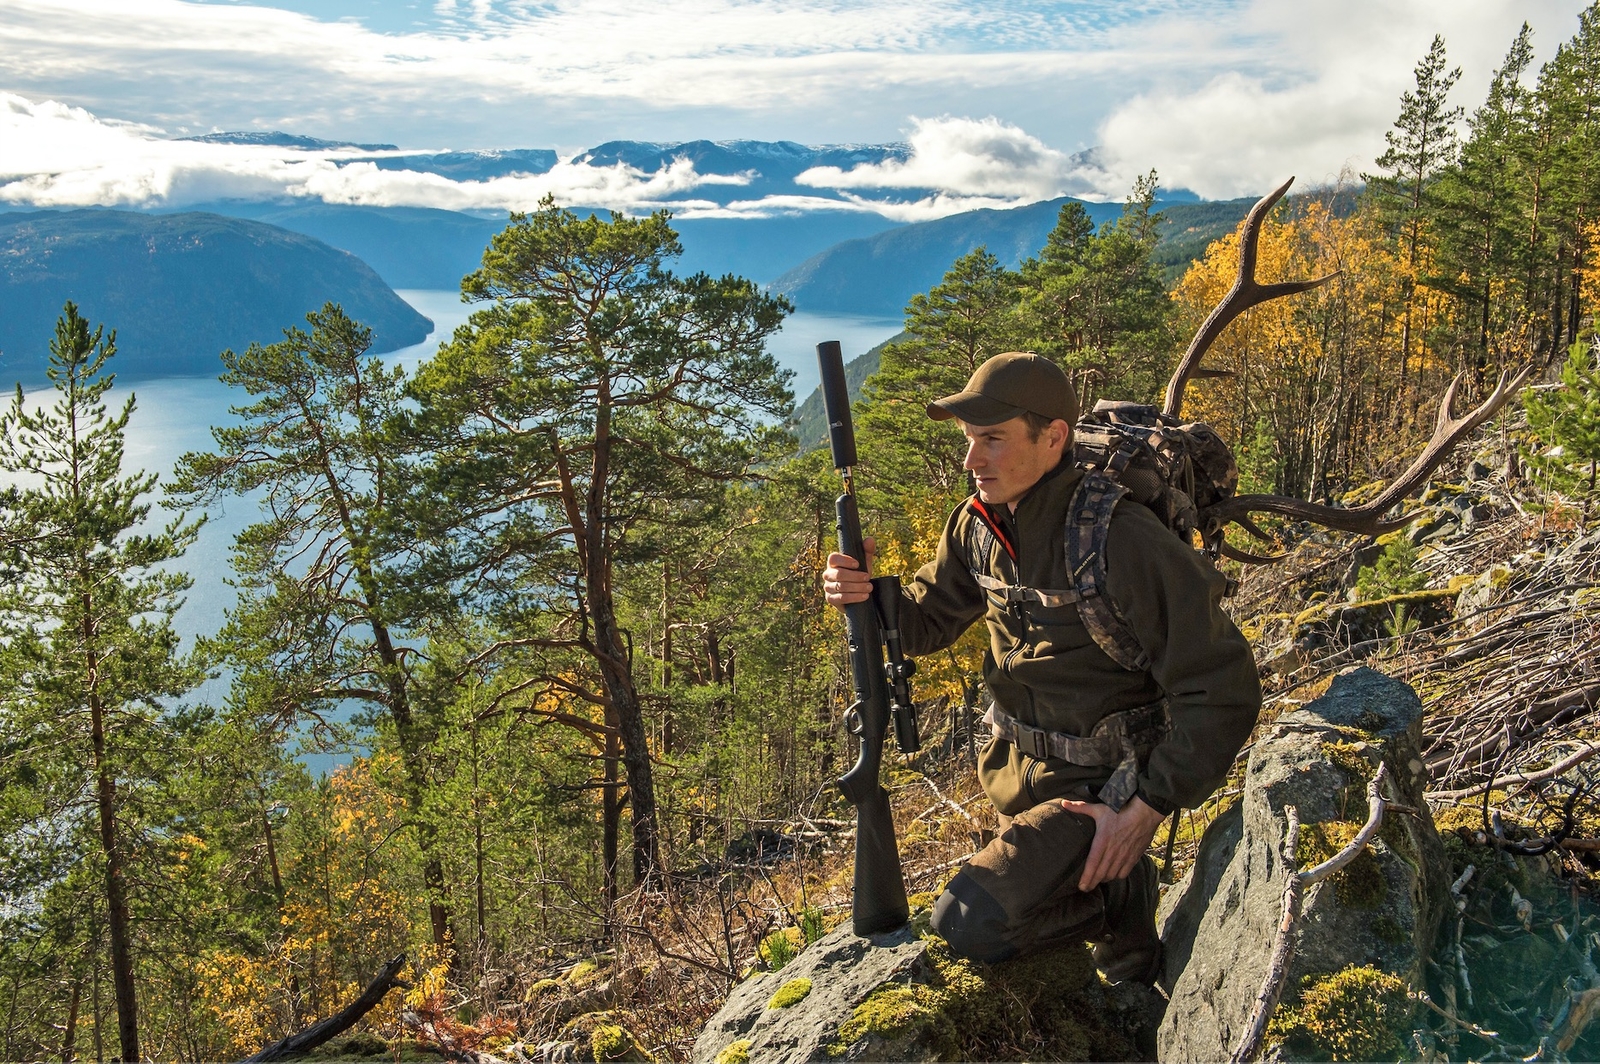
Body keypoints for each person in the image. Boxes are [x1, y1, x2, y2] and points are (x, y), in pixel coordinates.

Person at [822, 352, 1261, 984]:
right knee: (1090, 974)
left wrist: (1147, 807)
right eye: (970, 440)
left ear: (1052, 437)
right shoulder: (979, 525)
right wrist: (864, 593)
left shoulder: (1120, 537)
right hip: (1018, 780)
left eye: (993, 440)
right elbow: (925, 621)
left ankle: (1117, 900)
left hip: (1099, 792)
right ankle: (1125, 954)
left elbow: (1223, 683)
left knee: (965, 924)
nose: (972, 461)